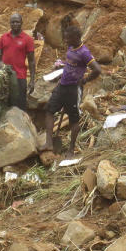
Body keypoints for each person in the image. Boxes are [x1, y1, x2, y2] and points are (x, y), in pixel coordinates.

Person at [44, 25, 101, 158]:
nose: (65, 40)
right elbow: (70, 63)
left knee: (73, 119)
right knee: (49, 110)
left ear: (76, 38)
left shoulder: (84, 53)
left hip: (73, 90)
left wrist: (85, 80)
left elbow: (97, 69)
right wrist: (63, 67)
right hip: (62, 85)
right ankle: (49, 142)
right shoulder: (71, 47)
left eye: (68, 38)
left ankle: (70, 149)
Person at [0, 13, 36, 110]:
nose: (15, 24)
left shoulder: (27, 39)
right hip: (4, 77)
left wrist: (32, 80)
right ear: (10, 23)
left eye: (17, 22)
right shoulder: (3, 38)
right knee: (4, 106)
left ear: (22, 23)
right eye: (13, 22)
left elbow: (31, 61)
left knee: (20, 107)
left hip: (19, 77)